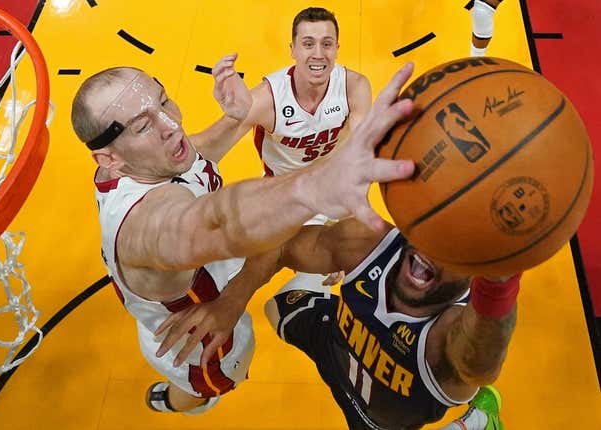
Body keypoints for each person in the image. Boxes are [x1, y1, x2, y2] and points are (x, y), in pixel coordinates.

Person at [70, 59, 416, 414]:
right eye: (143, 126)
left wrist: (241, 114)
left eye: (163, 101)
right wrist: (316, 185)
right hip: (202, 347)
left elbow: (202, 153)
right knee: (201, 393)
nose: (172, 125)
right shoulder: (147, 225)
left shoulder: (147, 161)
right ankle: (176, 402)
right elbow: (218, 223)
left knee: (329, 239)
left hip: (191, 294)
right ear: (108, 158)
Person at [262, 217, 517, 429]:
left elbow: (481, 361)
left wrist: (500, 284)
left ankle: (477, 423)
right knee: (276, 307)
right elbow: (279, 248)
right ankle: (328, 250)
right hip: (334, 349)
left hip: (382, 421)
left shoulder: (450, 330)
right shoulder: (375, 244)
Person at [228, 6, 374, 292]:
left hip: (330, 195)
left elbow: (360, 161)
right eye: (308, 44)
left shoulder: (353, 87)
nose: (318, 53)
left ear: (337, 49)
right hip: (280, 200)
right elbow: (211, 148)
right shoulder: (267, 98)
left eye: (326, 44)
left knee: (330, 281)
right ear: (292, 49)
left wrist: (350, 228)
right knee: (236, 278)